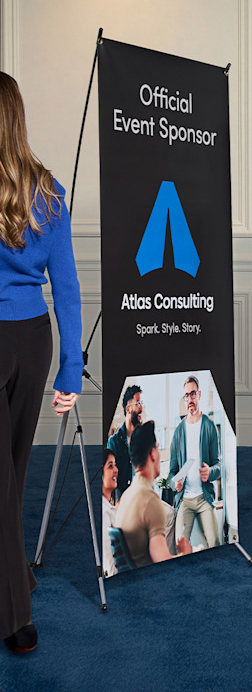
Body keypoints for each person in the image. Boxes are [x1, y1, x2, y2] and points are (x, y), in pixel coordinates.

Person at [0, 71, 82, 653]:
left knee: (7, 479)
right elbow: (68, 289)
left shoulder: (49, 192)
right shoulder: (47, 190)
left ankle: (14, 613)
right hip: (33, 341)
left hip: (15, 338)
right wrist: (71, 368)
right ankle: (14, 583)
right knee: (11, 474)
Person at [114, 422, 192, 568]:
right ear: (152, 454)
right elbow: (163, 565)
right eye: (157, 447)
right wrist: (184, 554)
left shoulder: (126, 496)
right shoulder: (149, 499)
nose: (159, 453)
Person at [169, 375, 221, 550]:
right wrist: (174, 482)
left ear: (199, 395)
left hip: (204, 499)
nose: (189, 399)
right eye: (186, 395)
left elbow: (218, 465)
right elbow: (171, 473)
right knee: (180, 545)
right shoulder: (178, 433)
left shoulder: (209, 427)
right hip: (185, 500)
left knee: (215, 541)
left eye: (192, 394)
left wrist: (210, 472)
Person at [106, 383, 144, 500]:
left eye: (141, 403)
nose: (141, 408)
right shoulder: (114, 442)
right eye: (138, 403)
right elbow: (112, 478)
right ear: (128, 409)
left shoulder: (143, 439)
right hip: (123, 499)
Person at [101, 449, 119, 577]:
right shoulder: (103, 513)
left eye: (115, 465)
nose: (116, 470)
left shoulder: (110, 505)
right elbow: (108, 559)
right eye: (110, 466)